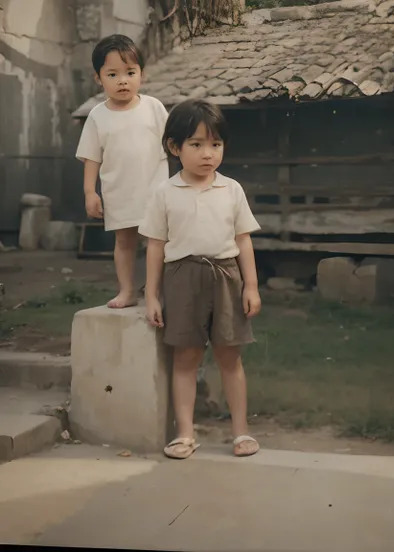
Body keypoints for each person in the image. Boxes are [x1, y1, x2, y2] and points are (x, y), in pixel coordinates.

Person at [138, 99, 262, 460]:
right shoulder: (164, 193)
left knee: (229, 356)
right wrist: (152, 296)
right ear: (175, 148)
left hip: (226, 277)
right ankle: (185, 434)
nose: (208, 154)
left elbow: (243, 239)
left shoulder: (232, 189)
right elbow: (156, 246)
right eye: (196, 144)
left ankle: (240, 433)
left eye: (216, 144)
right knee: (186, 358)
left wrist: (251, 286)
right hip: (182, 279)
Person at [76, 34, 169, 309]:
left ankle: (156, 293)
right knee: (125, 243)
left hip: (155, 192)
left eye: (130, 72)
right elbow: (91, 157)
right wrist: (89, 191)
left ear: (142, 73)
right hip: (119, 192)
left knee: (158, 244)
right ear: (98, 78)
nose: (123, 80)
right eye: (113, 74)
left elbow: (174, 145)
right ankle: (127, 291)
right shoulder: (97, 116)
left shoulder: (154, 108)